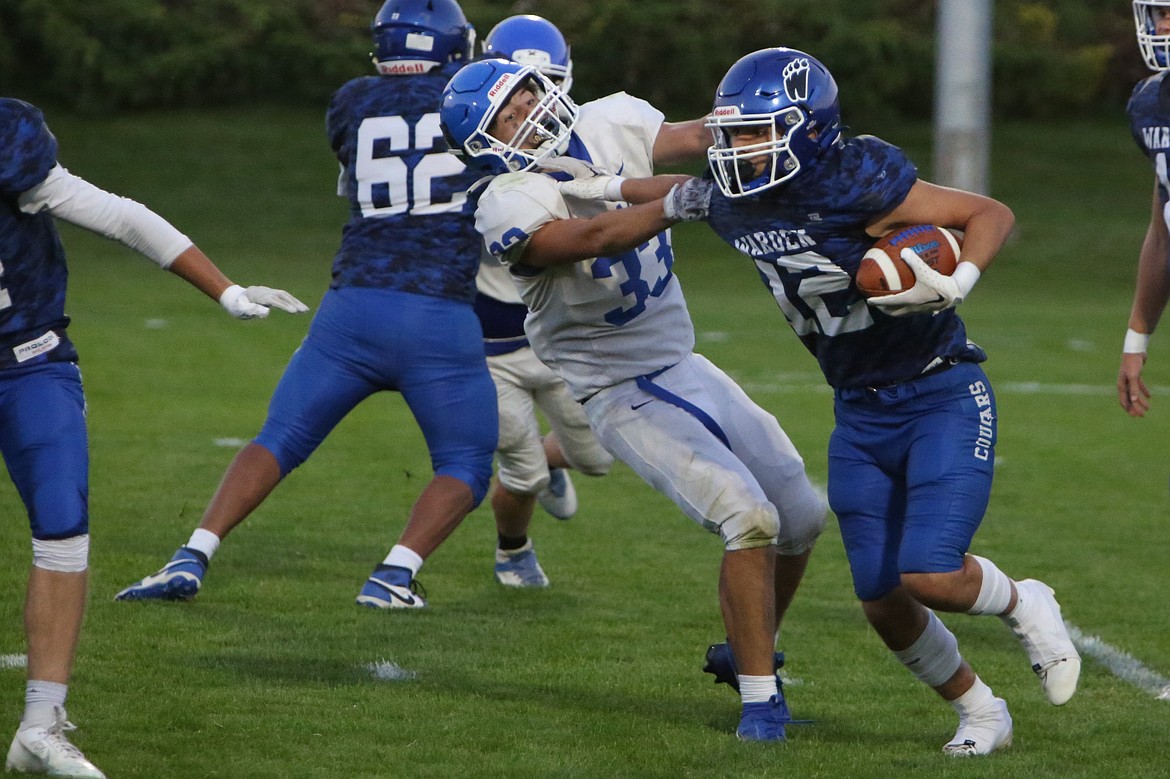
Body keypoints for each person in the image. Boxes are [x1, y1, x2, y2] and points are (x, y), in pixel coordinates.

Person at [679, 47, 1080, 755]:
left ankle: (1026, 601)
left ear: (807, 130)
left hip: (940, 390)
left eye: (756, 132)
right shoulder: (729, 202)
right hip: (858, 410)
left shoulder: (858, 176)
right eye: (733, 132)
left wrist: (960, 281)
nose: (738, 148)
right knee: (881, 596)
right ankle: (983, 712)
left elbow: (988, 212)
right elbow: (641, 199)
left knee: (928, 569)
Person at [439, 57, 825, 741]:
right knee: (749, 515)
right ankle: (761, 701)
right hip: (616, 388)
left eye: (525, 91)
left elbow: (694, 139)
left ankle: (746, 651)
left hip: (680, 358)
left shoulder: (607, 116)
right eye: (506, 111)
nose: (527, 107)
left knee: (801, 512)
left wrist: (768, 127)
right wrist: (672, 206)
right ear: (484, 139)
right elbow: (581, 236)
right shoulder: (503, 197)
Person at [115, 0, 496, 610]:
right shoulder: (475, 100)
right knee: (466, 463)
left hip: (351, 308)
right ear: (453, 44)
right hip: (437, 313)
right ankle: (393, 576)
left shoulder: (351, 100)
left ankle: (191, 555)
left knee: (280, 437)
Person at [0, 98, 307, 778]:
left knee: (61, 524)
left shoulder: (8, 142)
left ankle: (40, 725)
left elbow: (119, 216)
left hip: (25, 360)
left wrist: (223, 290)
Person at [475, 14, 614, 587]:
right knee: (522, 474)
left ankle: (546, 460)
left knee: (599, 456)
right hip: (493, 340)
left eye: (543, 85)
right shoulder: (466, 146)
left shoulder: (588, 136)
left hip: (563, 335)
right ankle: (513, 549)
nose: (533, 106)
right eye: (516, 93)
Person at [1120, 0, 1170, 416]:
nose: (1165, 24)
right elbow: (1162, 233)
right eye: (1161, 14)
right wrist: (1136, 338)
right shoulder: (1150, 104)